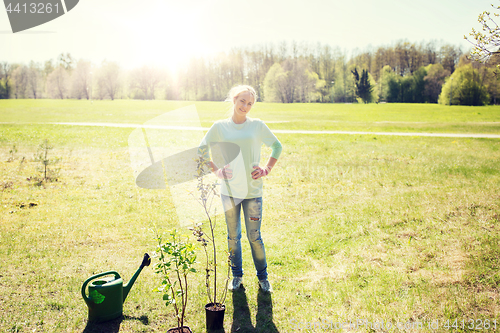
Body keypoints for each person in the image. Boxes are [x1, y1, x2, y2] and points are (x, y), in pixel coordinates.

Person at [198, 85, 282, 293]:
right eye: (242, 101)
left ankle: (263, 278)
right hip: (229, 191)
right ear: (234, 100)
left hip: (253, 191)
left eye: (250, 103)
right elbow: (201, 149)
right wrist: (217, 171)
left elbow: (277, 146)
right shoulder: (219, 127)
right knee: (233, 237)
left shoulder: (257, 126)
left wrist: (267, 168)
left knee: (255, 236)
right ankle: (237, 276)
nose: (246, 106)